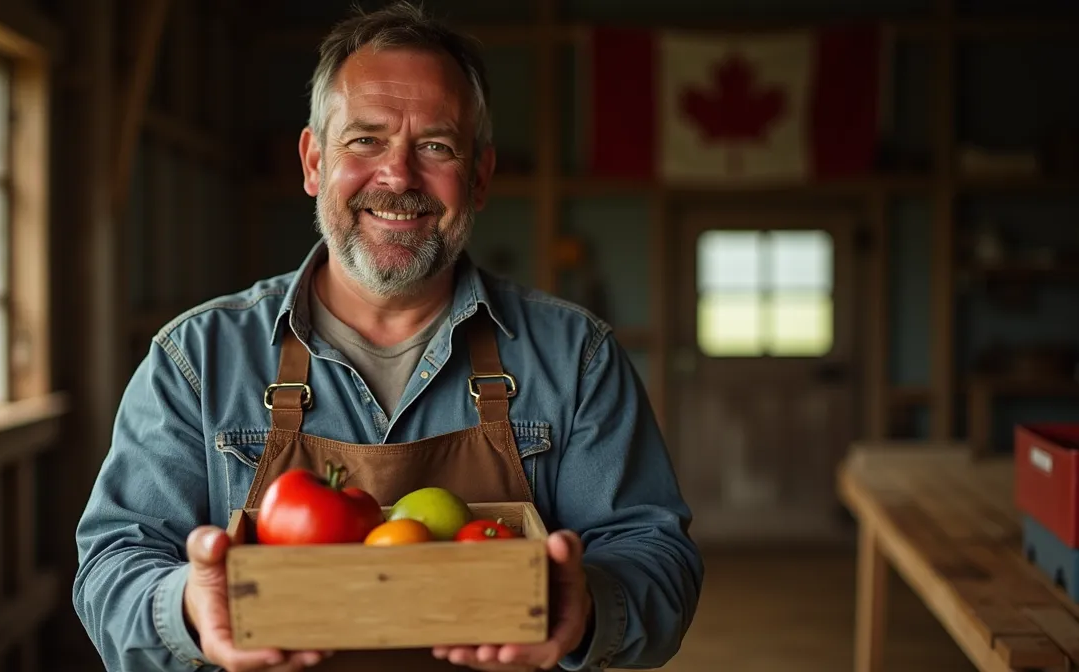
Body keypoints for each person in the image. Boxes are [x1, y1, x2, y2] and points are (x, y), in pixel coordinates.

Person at [72, 3, 702, 671]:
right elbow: (113, 566)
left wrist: (590, 608)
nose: (398, 176)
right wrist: (189, 606)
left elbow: (656, 554)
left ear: (479, 176)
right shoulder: (197, 359)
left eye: (436, 145)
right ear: (314, 162)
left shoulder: (578, 358)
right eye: (365, 140)